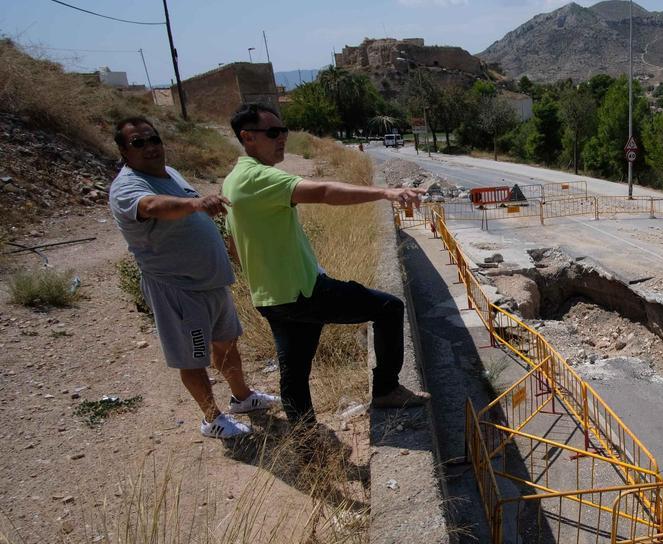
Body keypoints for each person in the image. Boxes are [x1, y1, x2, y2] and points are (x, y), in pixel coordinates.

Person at [222, 103, 429, 426]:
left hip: (270, 294)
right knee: (388, 308)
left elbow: (234, 245)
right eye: (273, 133)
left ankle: (305, 441)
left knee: (294, 371)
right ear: (248, 137)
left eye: (284, 131)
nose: (282, 139)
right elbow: (324, 191)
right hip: (303, 290)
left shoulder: (233, 179)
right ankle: (386, 389)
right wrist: (386, 192)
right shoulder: (259, 177)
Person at [108, 116, 279, 439]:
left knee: (227, 344)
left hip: (211, 282)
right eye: (138, 143)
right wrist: (196, 203)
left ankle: (243, 398)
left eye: (153, 139)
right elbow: (153, 206)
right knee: (192, 356)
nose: (150, 147)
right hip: (179, 288)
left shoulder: (169, 173)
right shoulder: (128, 186)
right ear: (123, 150)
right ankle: (212, 418)